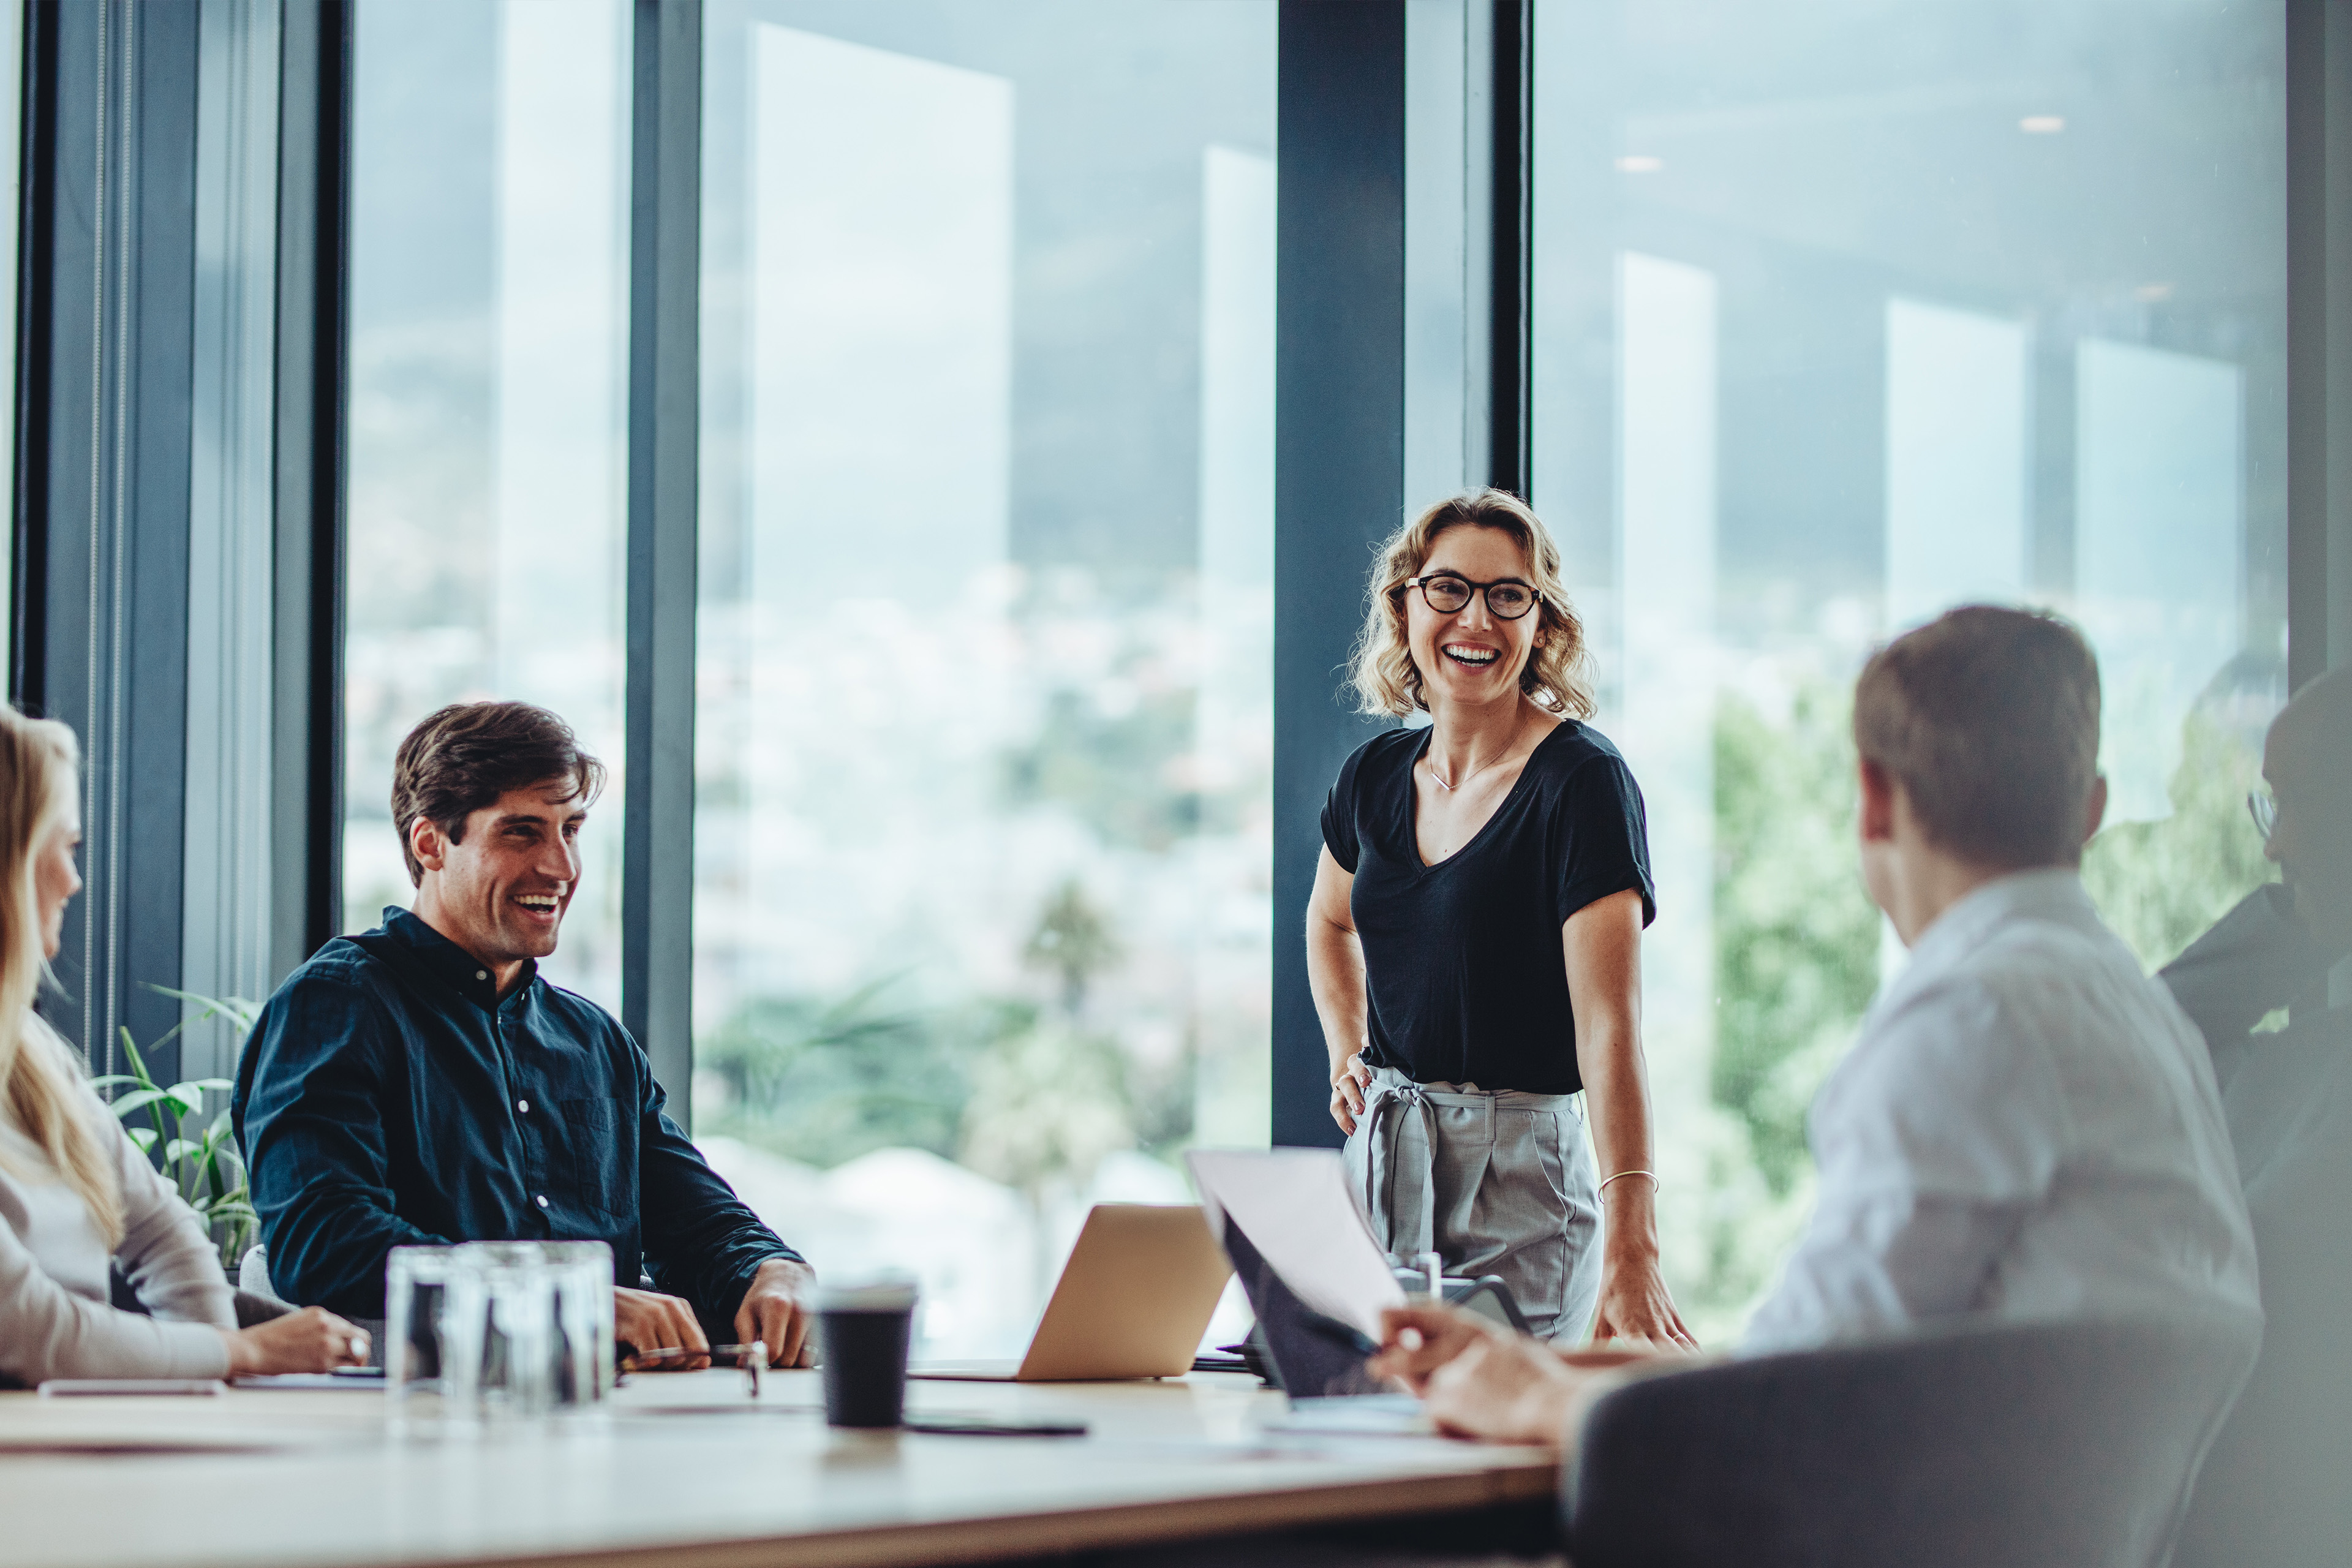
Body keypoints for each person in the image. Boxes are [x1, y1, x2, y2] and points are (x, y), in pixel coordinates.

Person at [1366, 606, 2260, 1444]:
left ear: (1872, 799)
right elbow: (1825, 1357)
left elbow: (1790, 1413)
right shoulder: (2138, 1012)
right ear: (2091, 810)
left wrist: (1530, 1396)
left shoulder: (1971, 1022)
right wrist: (1548, 1367)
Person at [234, 701, 816, 1367]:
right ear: (431, 844)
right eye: (521, 833)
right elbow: (324, 1243)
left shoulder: (595, 1041)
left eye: (571, 830)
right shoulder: (337, 1005)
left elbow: (698, 1221)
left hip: (613, 1420)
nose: (561, 866)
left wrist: (772, 1268)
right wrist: (569, 1297)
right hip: (415, 1425)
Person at [1309, 488, 1687, 1345]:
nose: (1474, 618)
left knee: (1498, 1459)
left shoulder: (1581, 784)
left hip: (1520, 1181)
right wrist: (1346, 1051)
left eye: (1507, 595)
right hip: (1380, 1161)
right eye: (1448, 588)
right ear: (1405, 605)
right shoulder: (1372, 777)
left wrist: (1636, 1245)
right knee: (1367, 1443)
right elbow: (1330, 924)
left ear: (1541, 623)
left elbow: (1610, 1031)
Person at [0, 703, 366, 1385]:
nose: (75, 881)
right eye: (67, 847)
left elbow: (161, 1229)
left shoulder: (29, 1053)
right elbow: (32, 1332)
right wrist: (241, 1353)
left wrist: (208, 1368)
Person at [2163, 667, 2352, 1568]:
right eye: (2268, 808)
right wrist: (2300, 917)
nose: (2274, 849)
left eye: (2300, 807)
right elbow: (2157, 1039)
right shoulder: (2301, 1055)